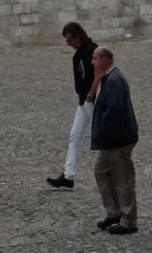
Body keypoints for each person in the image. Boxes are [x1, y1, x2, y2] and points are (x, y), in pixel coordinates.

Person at [90, 45, 140, 235]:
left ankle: (129, 220)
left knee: (123, 179)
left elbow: (114, 112)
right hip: (109, 140)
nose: (92, 62)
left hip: (118, 140)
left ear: (105, 60)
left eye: (95, 59)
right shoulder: (108, 78)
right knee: (100, 170)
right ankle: (114, 211)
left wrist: (102, 130)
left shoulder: (115, 81)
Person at [47, 21, 99, 190]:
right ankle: (68, 176)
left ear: (77, 36)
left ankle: (112, 171)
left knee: (102, 136)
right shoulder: (78, 54)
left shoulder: (92, 51)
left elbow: (99, 74)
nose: (68, 43)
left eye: (70, 40)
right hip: (83, 101)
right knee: (74, 136)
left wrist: (91, 94)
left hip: (93, 100)